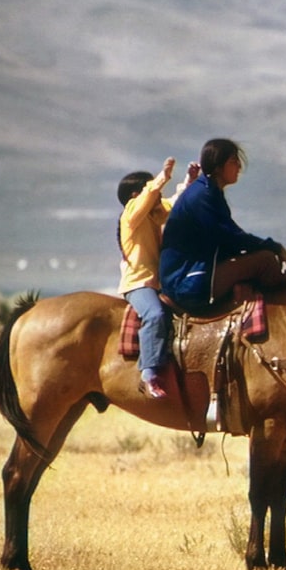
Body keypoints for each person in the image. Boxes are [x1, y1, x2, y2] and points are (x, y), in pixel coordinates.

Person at [159, 138, 286, 312]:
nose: (239, 167)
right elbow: (229, 237)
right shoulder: (203, 195)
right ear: (217, 166)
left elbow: (231, 235)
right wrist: (273, 247)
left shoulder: (208, 191)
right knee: (265, 261)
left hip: (192, 273)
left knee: (261, 257)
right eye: (233, 162)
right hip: (186, 280)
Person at [117, 157, 199, 399]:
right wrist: (162, 177)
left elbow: (172, 205)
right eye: (149, 189)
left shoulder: (151, 216)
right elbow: (150, 198)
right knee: (155, 315)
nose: (155, 196)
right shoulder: (131, 213)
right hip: (138, 284)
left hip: (158, 283)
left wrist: (188, 182)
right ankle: (149, 371)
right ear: (136, 195)